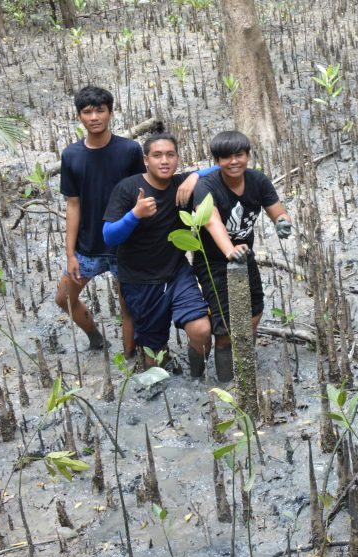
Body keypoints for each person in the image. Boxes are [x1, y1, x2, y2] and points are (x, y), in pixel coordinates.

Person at [56, 86, 202, 357]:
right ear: (79, 117)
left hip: (126, 245)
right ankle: (95, 338)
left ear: (110, 113)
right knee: (63, 298)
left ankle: (130, 355)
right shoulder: (71, 155)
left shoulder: (129, 150)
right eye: (87, 112)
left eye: (100, 110)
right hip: (88, 245)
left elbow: (148, 186)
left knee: (129, 308)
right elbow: (72, 204)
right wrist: (70, 253)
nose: (95, 117)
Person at [102, 133, 212, 376]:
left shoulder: (181, 184)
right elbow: (109, 236)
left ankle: (197, 381)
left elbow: (221, 166)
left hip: (177, 274)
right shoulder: (128, 189)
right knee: (154, 353)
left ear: (178, 159)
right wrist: (135, 214)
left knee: (202, 331)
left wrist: (194, 176)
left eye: (170, 155)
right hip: (140, 281)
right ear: (145, 160)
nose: (164, 161)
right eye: (157, 155)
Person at [192, 131, 293, 382]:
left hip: (245, 257)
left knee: (254, 311)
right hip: (214, 262)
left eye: (239, 155)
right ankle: (226, 384)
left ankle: (244, 361)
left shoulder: (258, 180)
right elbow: (212, 222)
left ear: (248, 156)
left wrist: (283, 222)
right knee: (224, 331)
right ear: (217, 161)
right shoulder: (206, 186)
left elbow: (278, 211)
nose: (234, 161)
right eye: (226, 157)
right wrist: (229, 250)